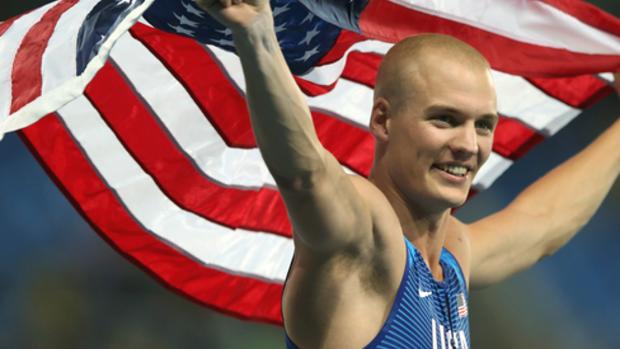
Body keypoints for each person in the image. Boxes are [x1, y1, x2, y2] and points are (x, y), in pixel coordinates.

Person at [197, 0, 620, 348]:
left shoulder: (450, 260)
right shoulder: (364, 241)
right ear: (383, 120)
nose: (469, 145)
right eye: (445, 120)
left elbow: (540, 226)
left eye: (484, 125)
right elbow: (305, 176)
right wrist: (256, 35)